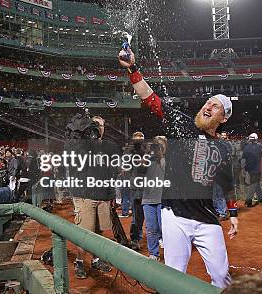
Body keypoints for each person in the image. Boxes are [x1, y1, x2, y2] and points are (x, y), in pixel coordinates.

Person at [118, 46, 237, 288]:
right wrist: (132, 68)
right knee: (174, 277)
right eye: (208, 102)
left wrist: (233, 213)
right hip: (174, 216)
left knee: (222, 277)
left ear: (223, 119)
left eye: (215, 107)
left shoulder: (223, 149)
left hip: (207, 219)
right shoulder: (182, 126)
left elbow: (227, 182)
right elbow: (150, 98)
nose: (208, 106)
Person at [71, 115, 119, 279]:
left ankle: (96, 259)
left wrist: (112, 195)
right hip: (86, 196)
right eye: (95, 125)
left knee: (99, 232)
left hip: (103, 196)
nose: (99, 128)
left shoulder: (109, 147)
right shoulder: (82, 146)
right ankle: (79, 261)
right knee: (85, 232)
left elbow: (112, 173)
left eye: (102, 125)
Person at [142, 136, 167, 261]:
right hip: (148, 199)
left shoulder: (167, 161)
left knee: (164, 228)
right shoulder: (147, 160)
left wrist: (161, 156)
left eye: (160, 146)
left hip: (164, 200)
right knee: (151, 228)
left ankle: (169, 252)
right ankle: (154, 253)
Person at [242, 133, 262, 207]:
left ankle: (261, 198)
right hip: (256, 169)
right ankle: (248, 201)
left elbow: (243, 159)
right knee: (253, 185)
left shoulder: (246, 147)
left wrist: (244, 169)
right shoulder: (259, 147)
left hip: (249, 169)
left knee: (256, 183)